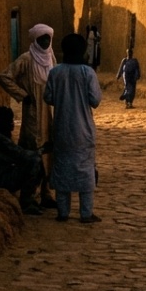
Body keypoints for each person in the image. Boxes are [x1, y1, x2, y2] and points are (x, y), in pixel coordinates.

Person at [44, 33, 103, 223]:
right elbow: (95, 100)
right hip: (83, 130)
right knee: (85, 170)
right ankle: (86, 213)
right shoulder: (87, 73)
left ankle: (63, 212)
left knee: (62, 168)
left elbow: (48, 97)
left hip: (61, 129)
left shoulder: (55, 72)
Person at [0, 23, 56, 208]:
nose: (45, 42)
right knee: (32, 150)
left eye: (47, 38)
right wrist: (23, 95)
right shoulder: (26, 59)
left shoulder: (51, 57)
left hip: (50, 111)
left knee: (49, 151)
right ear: (35, 40)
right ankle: (28, 194)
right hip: (33, 113)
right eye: (42, 39)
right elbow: (4, 77)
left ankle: (46, 194)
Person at [0, 106, 45, 215]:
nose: (12, 124)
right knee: (34, 161)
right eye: (10, 121)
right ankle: (26, 203)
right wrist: (42, 150)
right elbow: (22, 155)